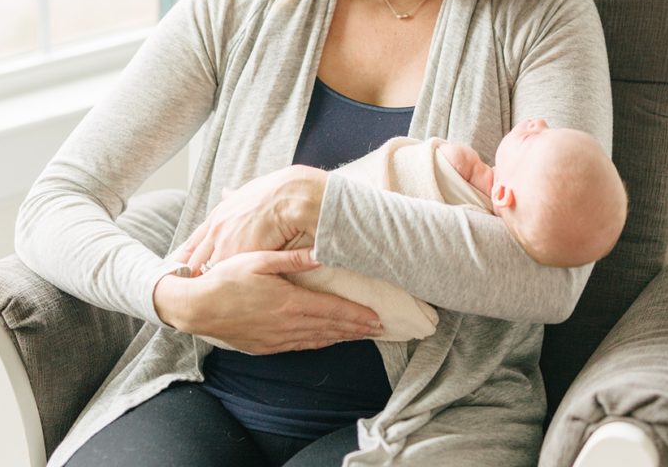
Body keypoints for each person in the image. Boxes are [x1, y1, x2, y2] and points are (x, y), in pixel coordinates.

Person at [15, 0, 614, 467]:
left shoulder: (542, 19)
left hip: (426, 419)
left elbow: (550, 278)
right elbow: (57, 202)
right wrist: (172, 294)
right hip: (204, 387)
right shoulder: (241, 2)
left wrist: (318, 205)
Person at [184, 122, 627, 344]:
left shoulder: (460, 167)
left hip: (405, 412)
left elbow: (554, 286)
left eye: (535, 138)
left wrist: (312, 201)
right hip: (216, 369)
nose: (536, 123)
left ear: (505, 195)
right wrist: (174, 302)